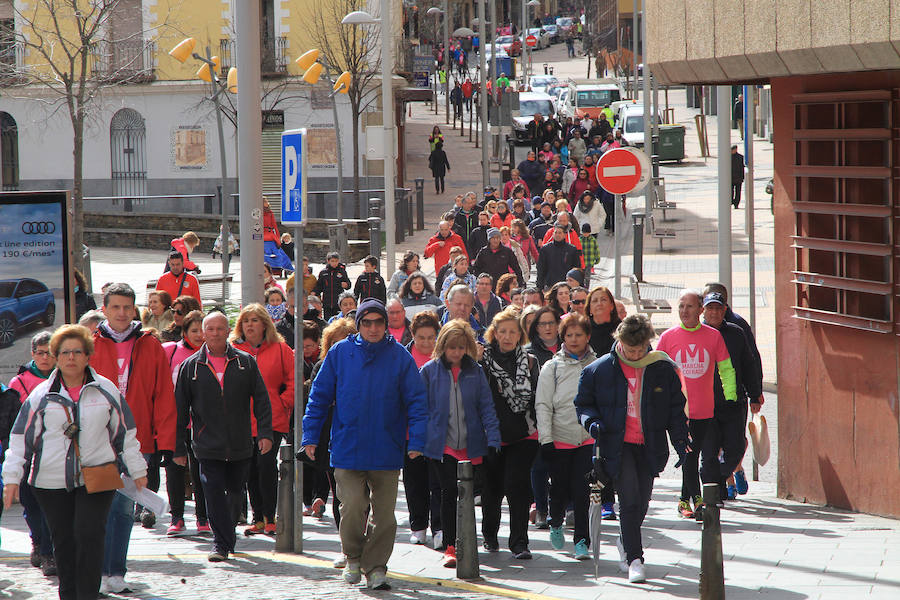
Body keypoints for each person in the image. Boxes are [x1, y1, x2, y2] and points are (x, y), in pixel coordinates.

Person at [3, 325, 147, 600]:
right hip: (50, 482)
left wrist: (138, 469)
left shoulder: (106, 390)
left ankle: (88, 595)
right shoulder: (40, 396)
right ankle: (69, 594)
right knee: (64, 542)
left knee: (89, 535)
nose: (71, 358)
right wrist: (11, 478)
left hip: (98, 476)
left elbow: (125, 433)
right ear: (56, 356)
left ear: (87, 355)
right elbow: (21, 439)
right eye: (65, 352)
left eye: (77, 352)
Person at [303, 299, 428, 590]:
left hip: (387, 447)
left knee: (385, 516)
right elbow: (318, 398)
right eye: (367, 322)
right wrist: (309, 436)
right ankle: (353, 557)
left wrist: (417, 440)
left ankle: (376, 567)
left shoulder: (400, 357)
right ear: (359, 324)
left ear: (386, 325)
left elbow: (417, 403)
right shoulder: (340, 353)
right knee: (352, 508)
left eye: (378, 322)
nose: (373, 328)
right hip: (348, 446)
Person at [574, 314, 690, 583]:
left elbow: (675, 409)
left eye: (640, 350)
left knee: (643, 501)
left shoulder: (661, 368)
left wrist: (681, 441)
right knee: (629, 499)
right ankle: (635, 558)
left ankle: (626, 541)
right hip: (617, 443)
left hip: (649, 445)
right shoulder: (599, 369)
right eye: (630, 349)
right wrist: (592, 423)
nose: (635, 355)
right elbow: (583, 404)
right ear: (619, 342)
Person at [90, 283, 176, 594]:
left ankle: (117, 572)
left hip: (137, 441)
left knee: (125, 508)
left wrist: (165, 439)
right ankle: (98, 571)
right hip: (96, 442)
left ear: (134, 309)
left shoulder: (150, 345)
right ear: (105, 309)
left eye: (127, 307)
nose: (122, 313)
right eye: (116, 307)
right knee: (99, 507)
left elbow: (164, 393)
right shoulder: (90, 343)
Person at [174, 312, 273, 562]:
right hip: (207, 445)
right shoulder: (191, 367)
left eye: (220, 328)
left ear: (228, 331)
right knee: (213, 492)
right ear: (203, 333)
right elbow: (179, 410)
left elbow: (261, 400)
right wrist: (177, 448)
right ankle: (220, 543)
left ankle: (226, 536)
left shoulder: (245, 363)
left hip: (240, 443)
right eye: (211, 329)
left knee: (236, 493)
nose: (216, 333)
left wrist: (264, 433)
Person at [421, 319, 500, 567]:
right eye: (451, 347)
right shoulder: (429, 371)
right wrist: (420, 440)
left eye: (461, 347)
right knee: (448, 491)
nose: (456, 353)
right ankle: (451, 546)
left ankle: (468, 537)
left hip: (471, 443)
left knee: (468, 494)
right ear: (442, 346)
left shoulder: (475, 372)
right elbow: (420, 408)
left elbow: (487, 407)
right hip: (442, 444)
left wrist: (494, 437)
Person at [656, 290, 737, 521]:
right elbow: (655, 372)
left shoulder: (713, 336)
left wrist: (730, 396)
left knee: (693, 455)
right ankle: (699, 501)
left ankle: (684, 500)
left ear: (700, 310)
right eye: (681, 306)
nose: (684, 311)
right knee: (688, 455)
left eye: (689, 306)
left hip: (704, 409)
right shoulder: (668, 338)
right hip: (678, 412)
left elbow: (726, 368)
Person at [479, 308, 540, 559]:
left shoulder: (531, 361)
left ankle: (519, 542)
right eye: (502, 331)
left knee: (518, 487)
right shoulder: (481, 360)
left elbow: (537, 396)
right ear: (494, 333)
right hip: (491, 434)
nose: (507, 336)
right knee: (491, 490)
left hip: (523, 434)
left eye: (512, 332)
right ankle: (490, 536)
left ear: (520, 335)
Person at [536, 313, 596, 560]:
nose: (574, 339)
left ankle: (582, 539)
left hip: (586, 438)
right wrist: (546, 439)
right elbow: (543, 404)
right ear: (562, 337)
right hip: (559, 437)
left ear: (587, 337)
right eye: (569, 335)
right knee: (559, 488)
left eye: (578, 335)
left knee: (582, 491)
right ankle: (555, 520)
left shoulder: (596, 364)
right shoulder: (552, 367)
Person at [230, 305, 295, 537]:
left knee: (265, 466)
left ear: (265, 324)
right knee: (249, 470)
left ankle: (270, 517)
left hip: (272, 419)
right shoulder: (233, 350)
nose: (250, 324)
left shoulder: (281, 349)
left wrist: (283, 401)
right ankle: (258, 518)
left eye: (255, 320)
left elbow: (294, 378)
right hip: (242, 420)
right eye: (246, 320)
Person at [700, 293, 763, 501]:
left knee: (735, 448)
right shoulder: (697, 333)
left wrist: (755, 394)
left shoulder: (736, 333)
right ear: (703, 310)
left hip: (734, 402)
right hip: (706, 404)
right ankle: (714, 495)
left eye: (719, 308)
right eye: (710, 308)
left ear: (725, 310)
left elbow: (749, 363)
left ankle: (719, 478)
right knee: (709, 451)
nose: (715, 312)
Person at [7, 331, 56, 575]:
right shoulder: (20, 383)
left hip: (55, 452)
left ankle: (48, 552)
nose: (45, 358)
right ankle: (37, 541)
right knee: (31, 505)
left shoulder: (63, 378)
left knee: (50, 506)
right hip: (28, 452)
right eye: (40, 353)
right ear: (32, 354)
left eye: (49, 353)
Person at [404, 312, 443, 547]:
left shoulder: (443, 357)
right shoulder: (405, 356)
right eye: (421, 337)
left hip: (438, 431)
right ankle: (418, 525)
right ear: (413, 335)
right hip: (410, 431)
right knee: (414, 481)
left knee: (437, 482)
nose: (426, 342)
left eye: (431, 337)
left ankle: (439, 526)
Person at [536, 224, 581, 291]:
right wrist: (540, 285)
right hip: (550, 284)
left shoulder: (572, 249)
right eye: (555, 232)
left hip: (567, 285)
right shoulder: (545, 249)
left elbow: (576, 268)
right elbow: (541, 268)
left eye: (560, 233)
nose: (557, 235)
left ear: (564, 235)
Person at [314, 252, 351, 319]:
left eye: (336, 261)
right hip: (327, 303)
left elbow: (348, 284)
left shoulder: (342, 271)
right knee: (327, 322)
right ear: (328, 261)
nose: (334, 263)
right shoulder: (323, 272)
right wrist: (314, 292)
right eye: (332, 261)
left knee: (338, 322)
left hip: (338, 303)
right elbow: (319, 286)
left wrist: (346, 285)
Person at [262, 199, 295, 272]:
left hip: (270, 236)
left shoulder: (270, 213)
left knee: (279, 253)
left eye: (267, 201)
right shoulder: (258, 213)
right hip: (262, 236)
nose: (267, 203)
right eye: (265, 201)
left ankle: (286, 267)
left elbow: (274, 226)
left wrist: (277, 237)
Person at [453, 193, 481, 257]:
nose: (470, 205)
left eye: (471, 203)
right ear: (463, 204)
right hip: (461, 243)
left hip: (473, 244)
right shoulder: (457, 215)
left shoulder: (475, 214)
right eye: (468, 203)